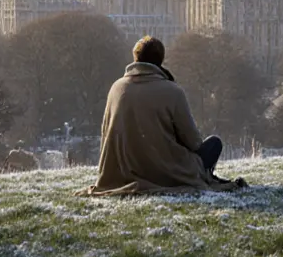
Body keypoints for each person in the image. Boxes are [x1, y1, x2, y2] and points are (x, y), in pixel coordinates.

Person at [75, 35, 247, 196]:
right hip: (166, 171)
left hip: (123, 170)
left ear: (135, 58)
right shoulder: (172, 91)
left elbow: (107, 133)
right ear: (161, 60)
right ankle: (205, 176)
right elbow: (192, 141)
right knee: (214, 144)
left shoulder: (116, 88)